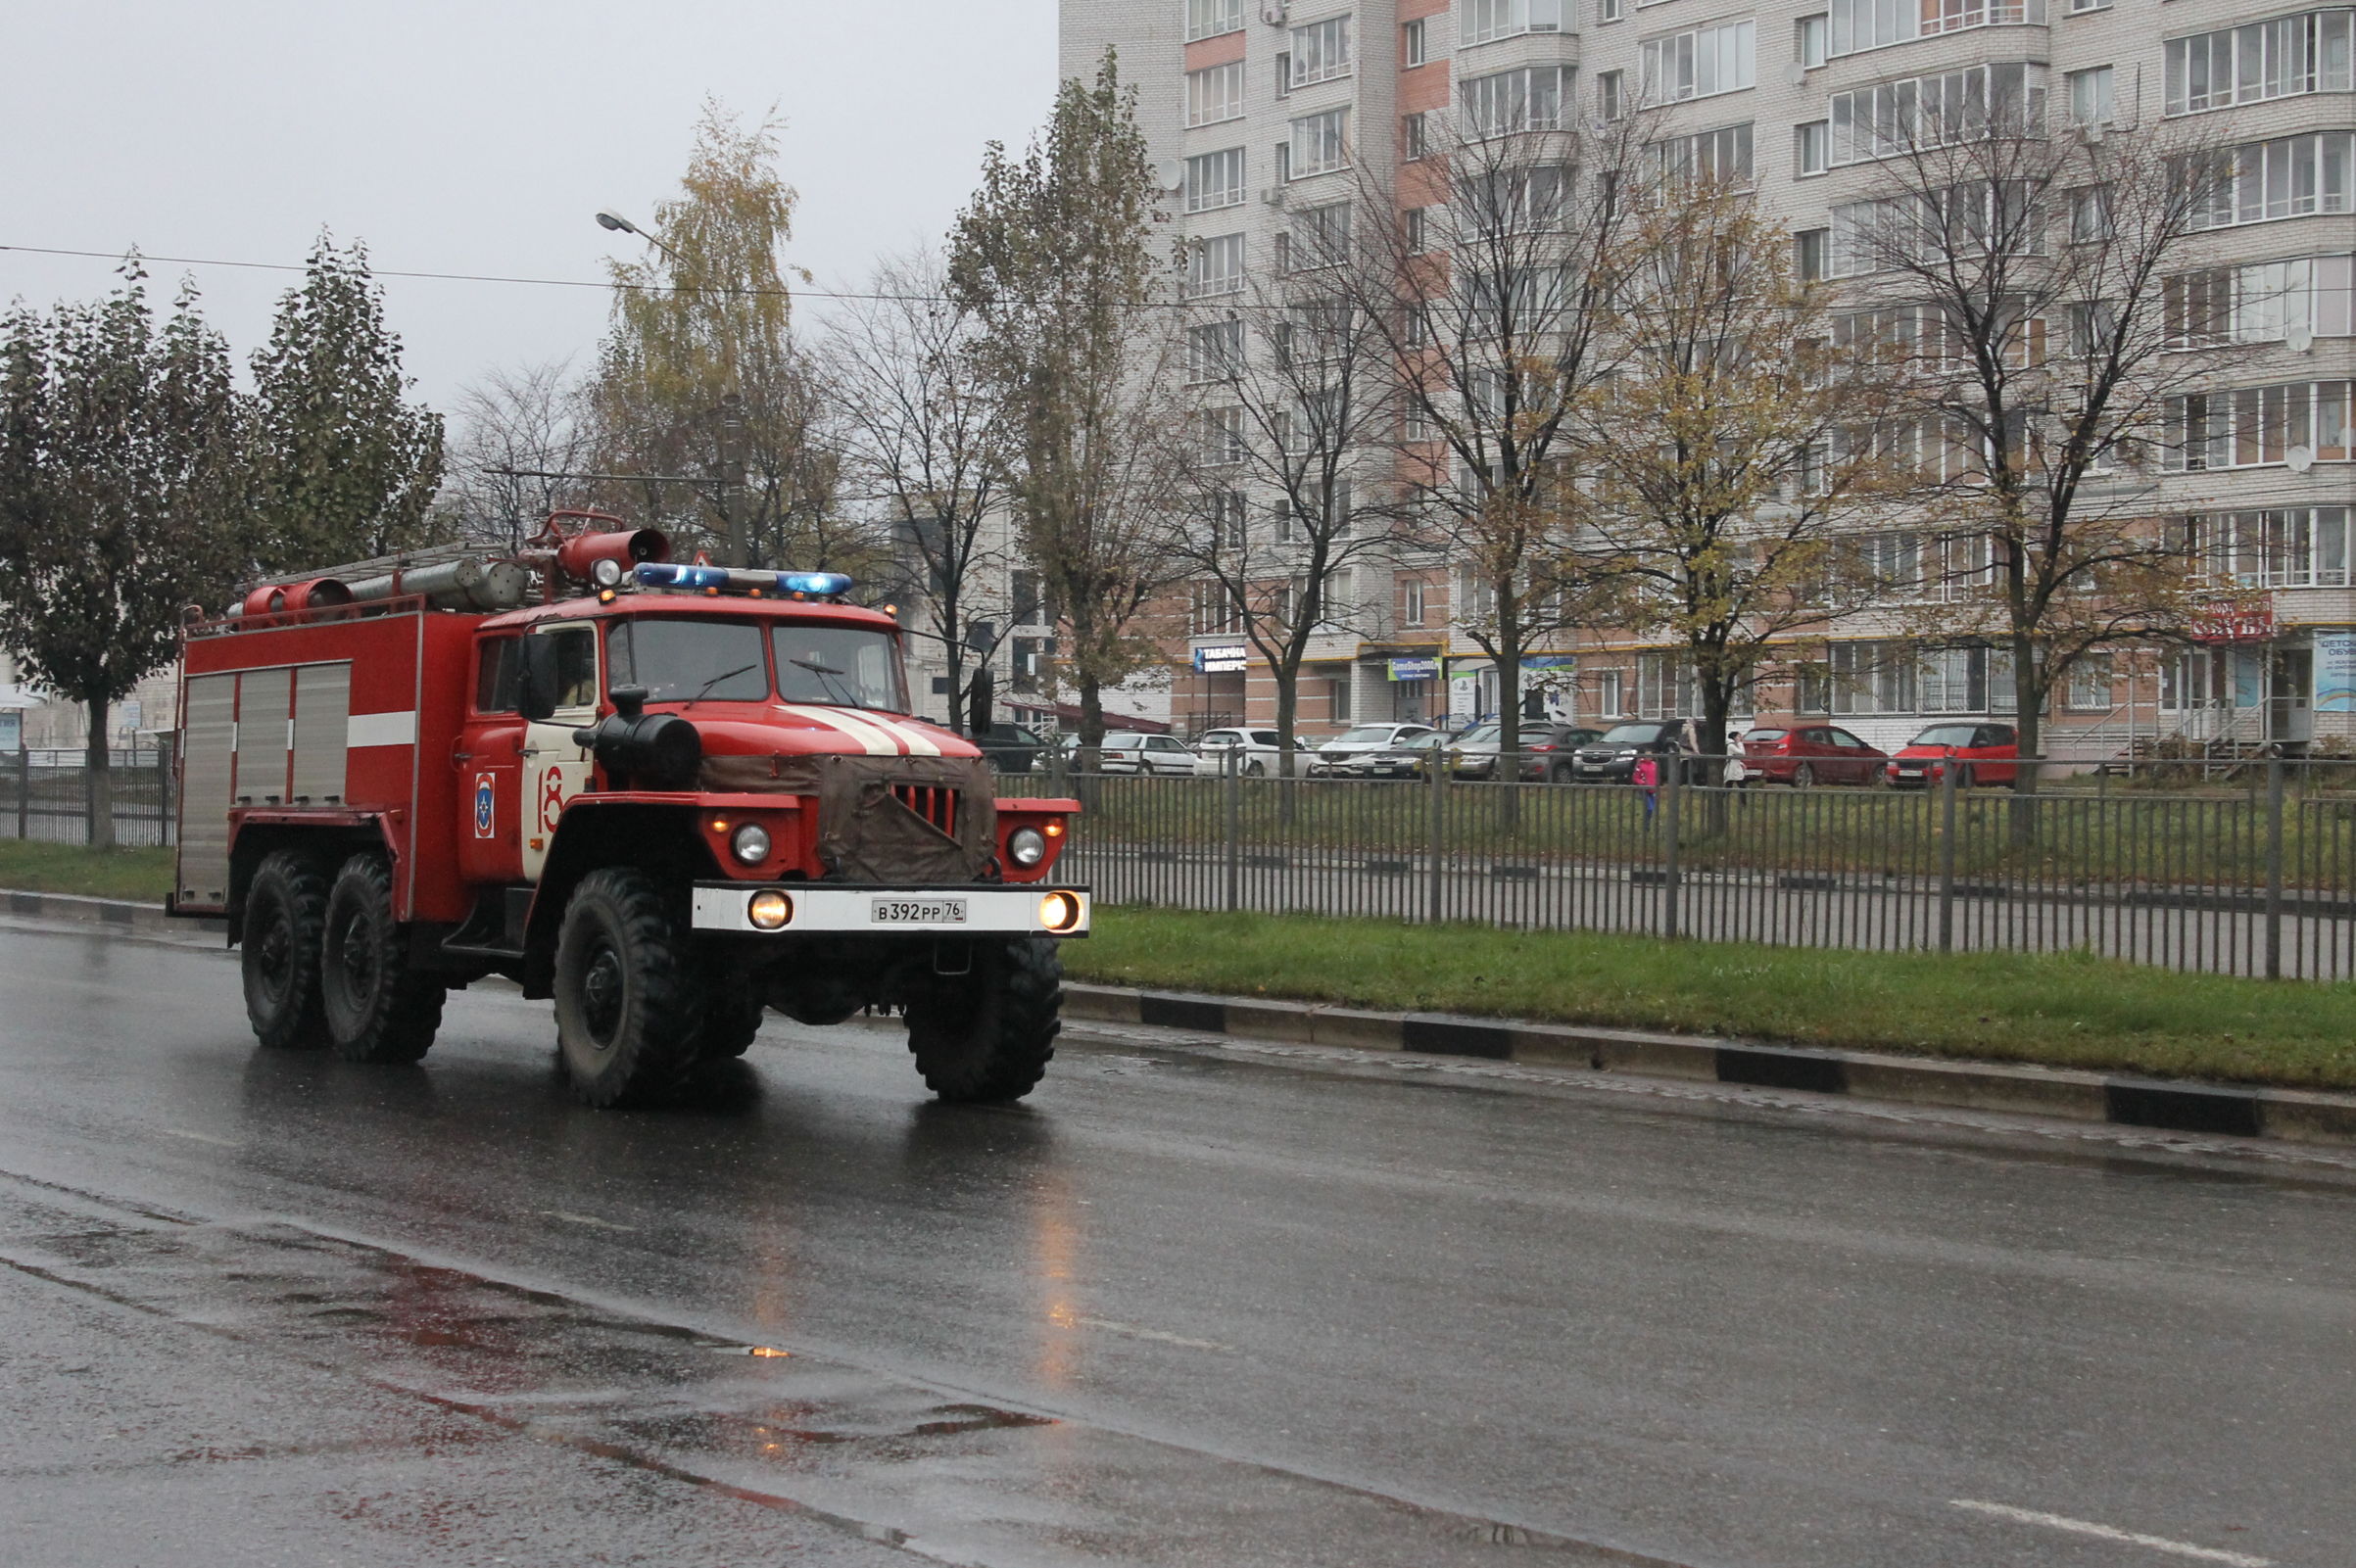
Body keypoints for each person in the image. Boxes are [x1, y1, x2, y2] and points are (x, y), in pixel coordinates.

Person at [1632, 752, 1659, 824]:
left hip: (1653, 789)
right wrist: (1643, 783)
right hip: (1644, 789)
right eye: (1648, 756)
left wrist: (1656, 785)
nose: (1649, 758)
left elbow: (1656, 776)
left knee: (1653, 808)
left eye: (1651, 756)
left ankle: (1649, 822)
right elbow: (1635, 777)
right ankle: (1646, 823)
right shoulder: (1640, 765)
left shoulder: (1654, 764)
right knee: (1649, 808)